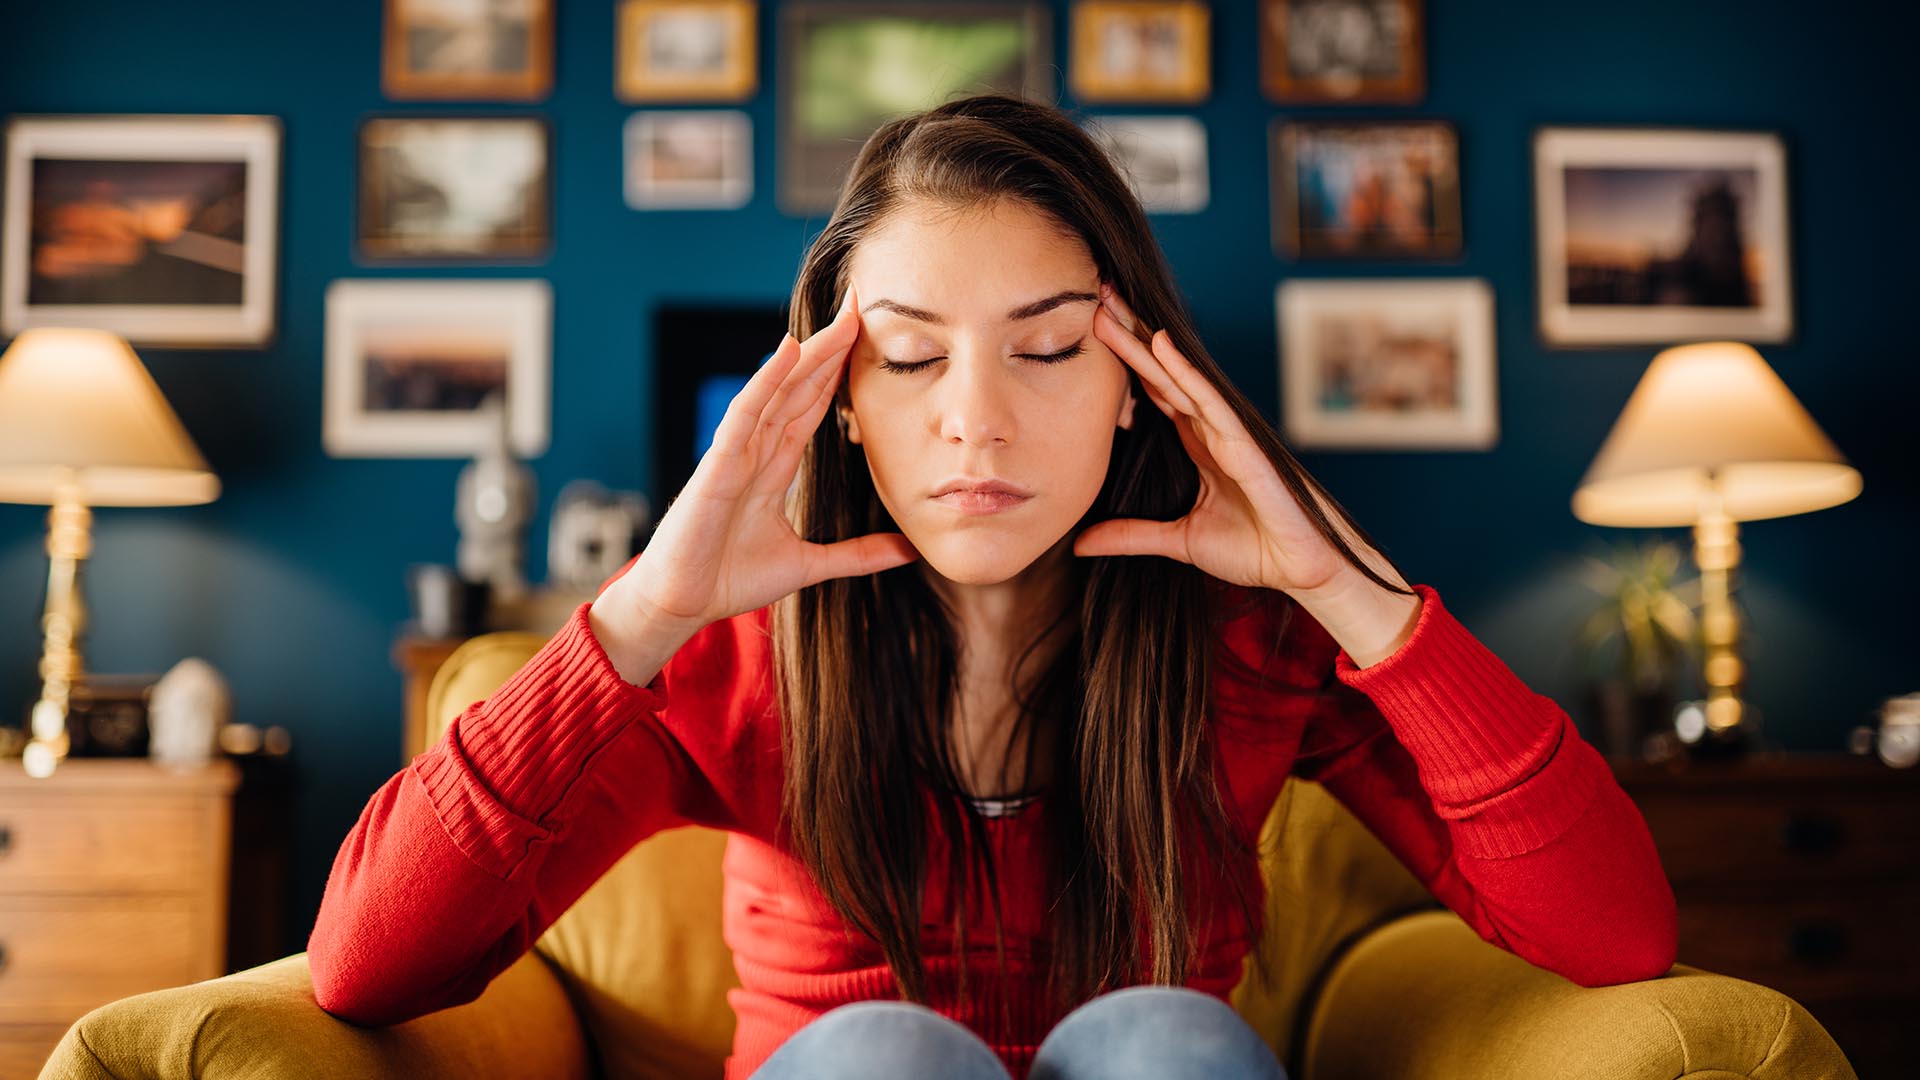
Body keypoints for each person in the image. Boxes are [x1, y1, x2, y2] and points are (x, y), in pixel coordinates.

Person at [306, 93, 1679, 1080]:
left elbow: (1616, 935)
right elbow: (367, 966)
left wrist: (1351, 587)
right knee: (878, 1059)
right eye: (909, 359)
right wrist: (645, 612)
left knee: (1168, 1044)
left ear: (1143, 386)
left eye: (1049, 348)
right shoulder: (727, 664)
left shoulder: (1254, 649)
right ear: (839, 400)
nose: (977, 420)